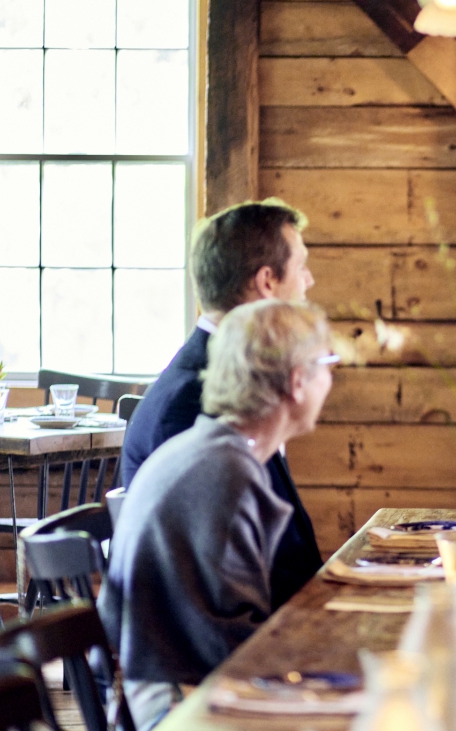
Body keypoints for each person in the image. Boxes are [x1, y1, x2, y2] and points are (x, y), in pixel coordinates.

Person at [100, 300, 336, 731]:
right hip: (181, 707)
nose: (331, 379)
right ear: (297, 382)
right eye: (327, 364)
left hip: (162, 686)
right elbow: (231, 649)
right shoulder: (227, 474)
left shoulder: (211, 450)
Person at [121, 198, 323, 608]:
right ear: (267, 282)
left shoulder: (233, 374)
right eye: (301, 266)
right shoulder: (191, 400)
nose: (309, 281)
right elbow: (202, 588)